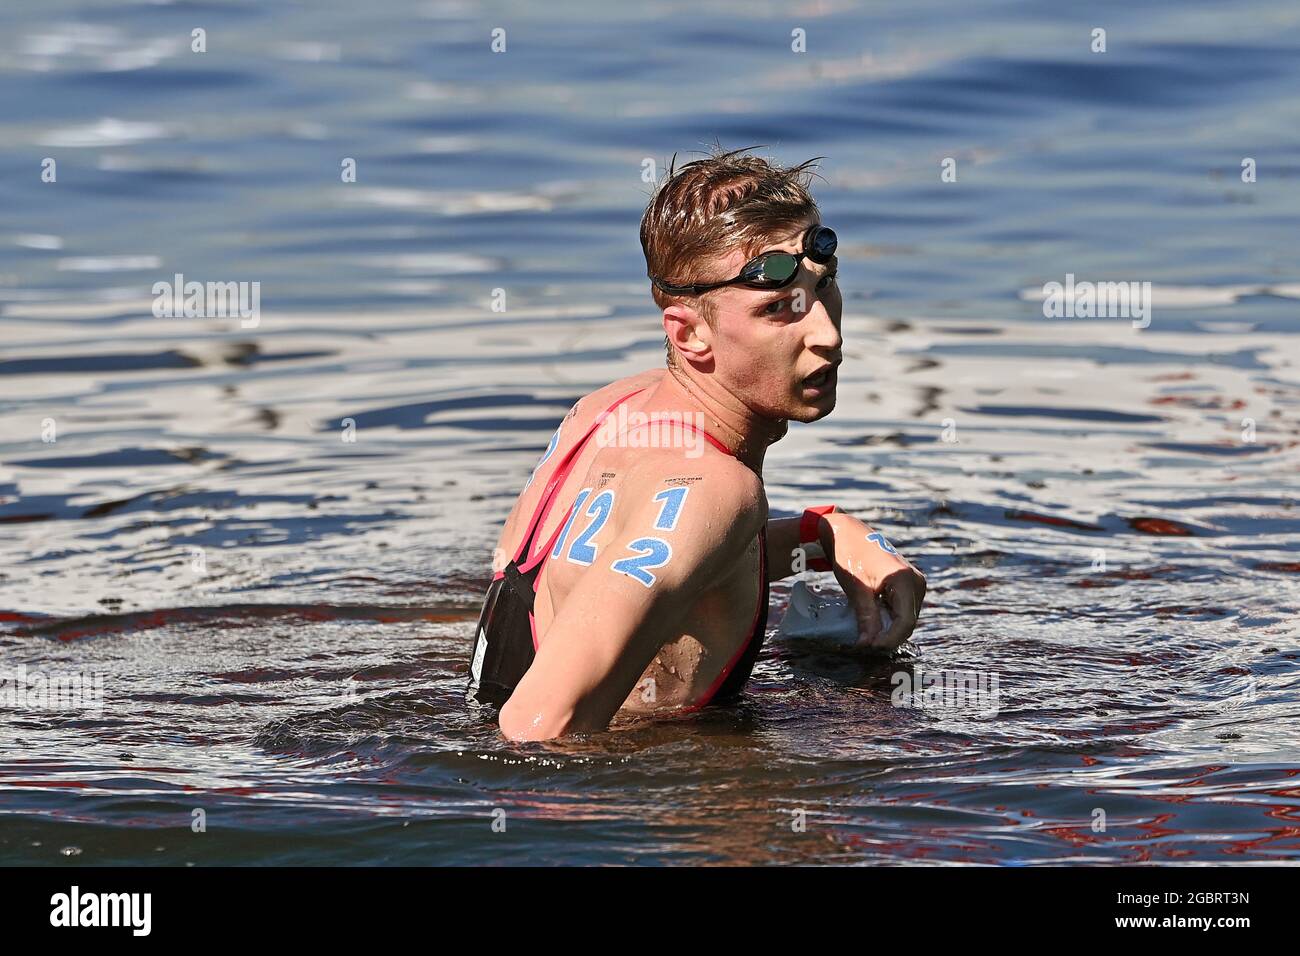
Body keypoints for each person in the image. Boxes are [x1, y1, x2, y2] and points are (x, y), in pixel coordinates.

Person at [467, 146, 927, 742]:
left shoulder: (607, 410)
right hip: (598, 796)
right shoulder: (717, 488)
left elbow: (637, 554)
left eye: (827, 287)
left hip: (470, 721)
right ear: (689, 333)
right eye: (778, 310)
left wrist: (822, 535)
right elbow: (537, 731)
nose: (828, 335)